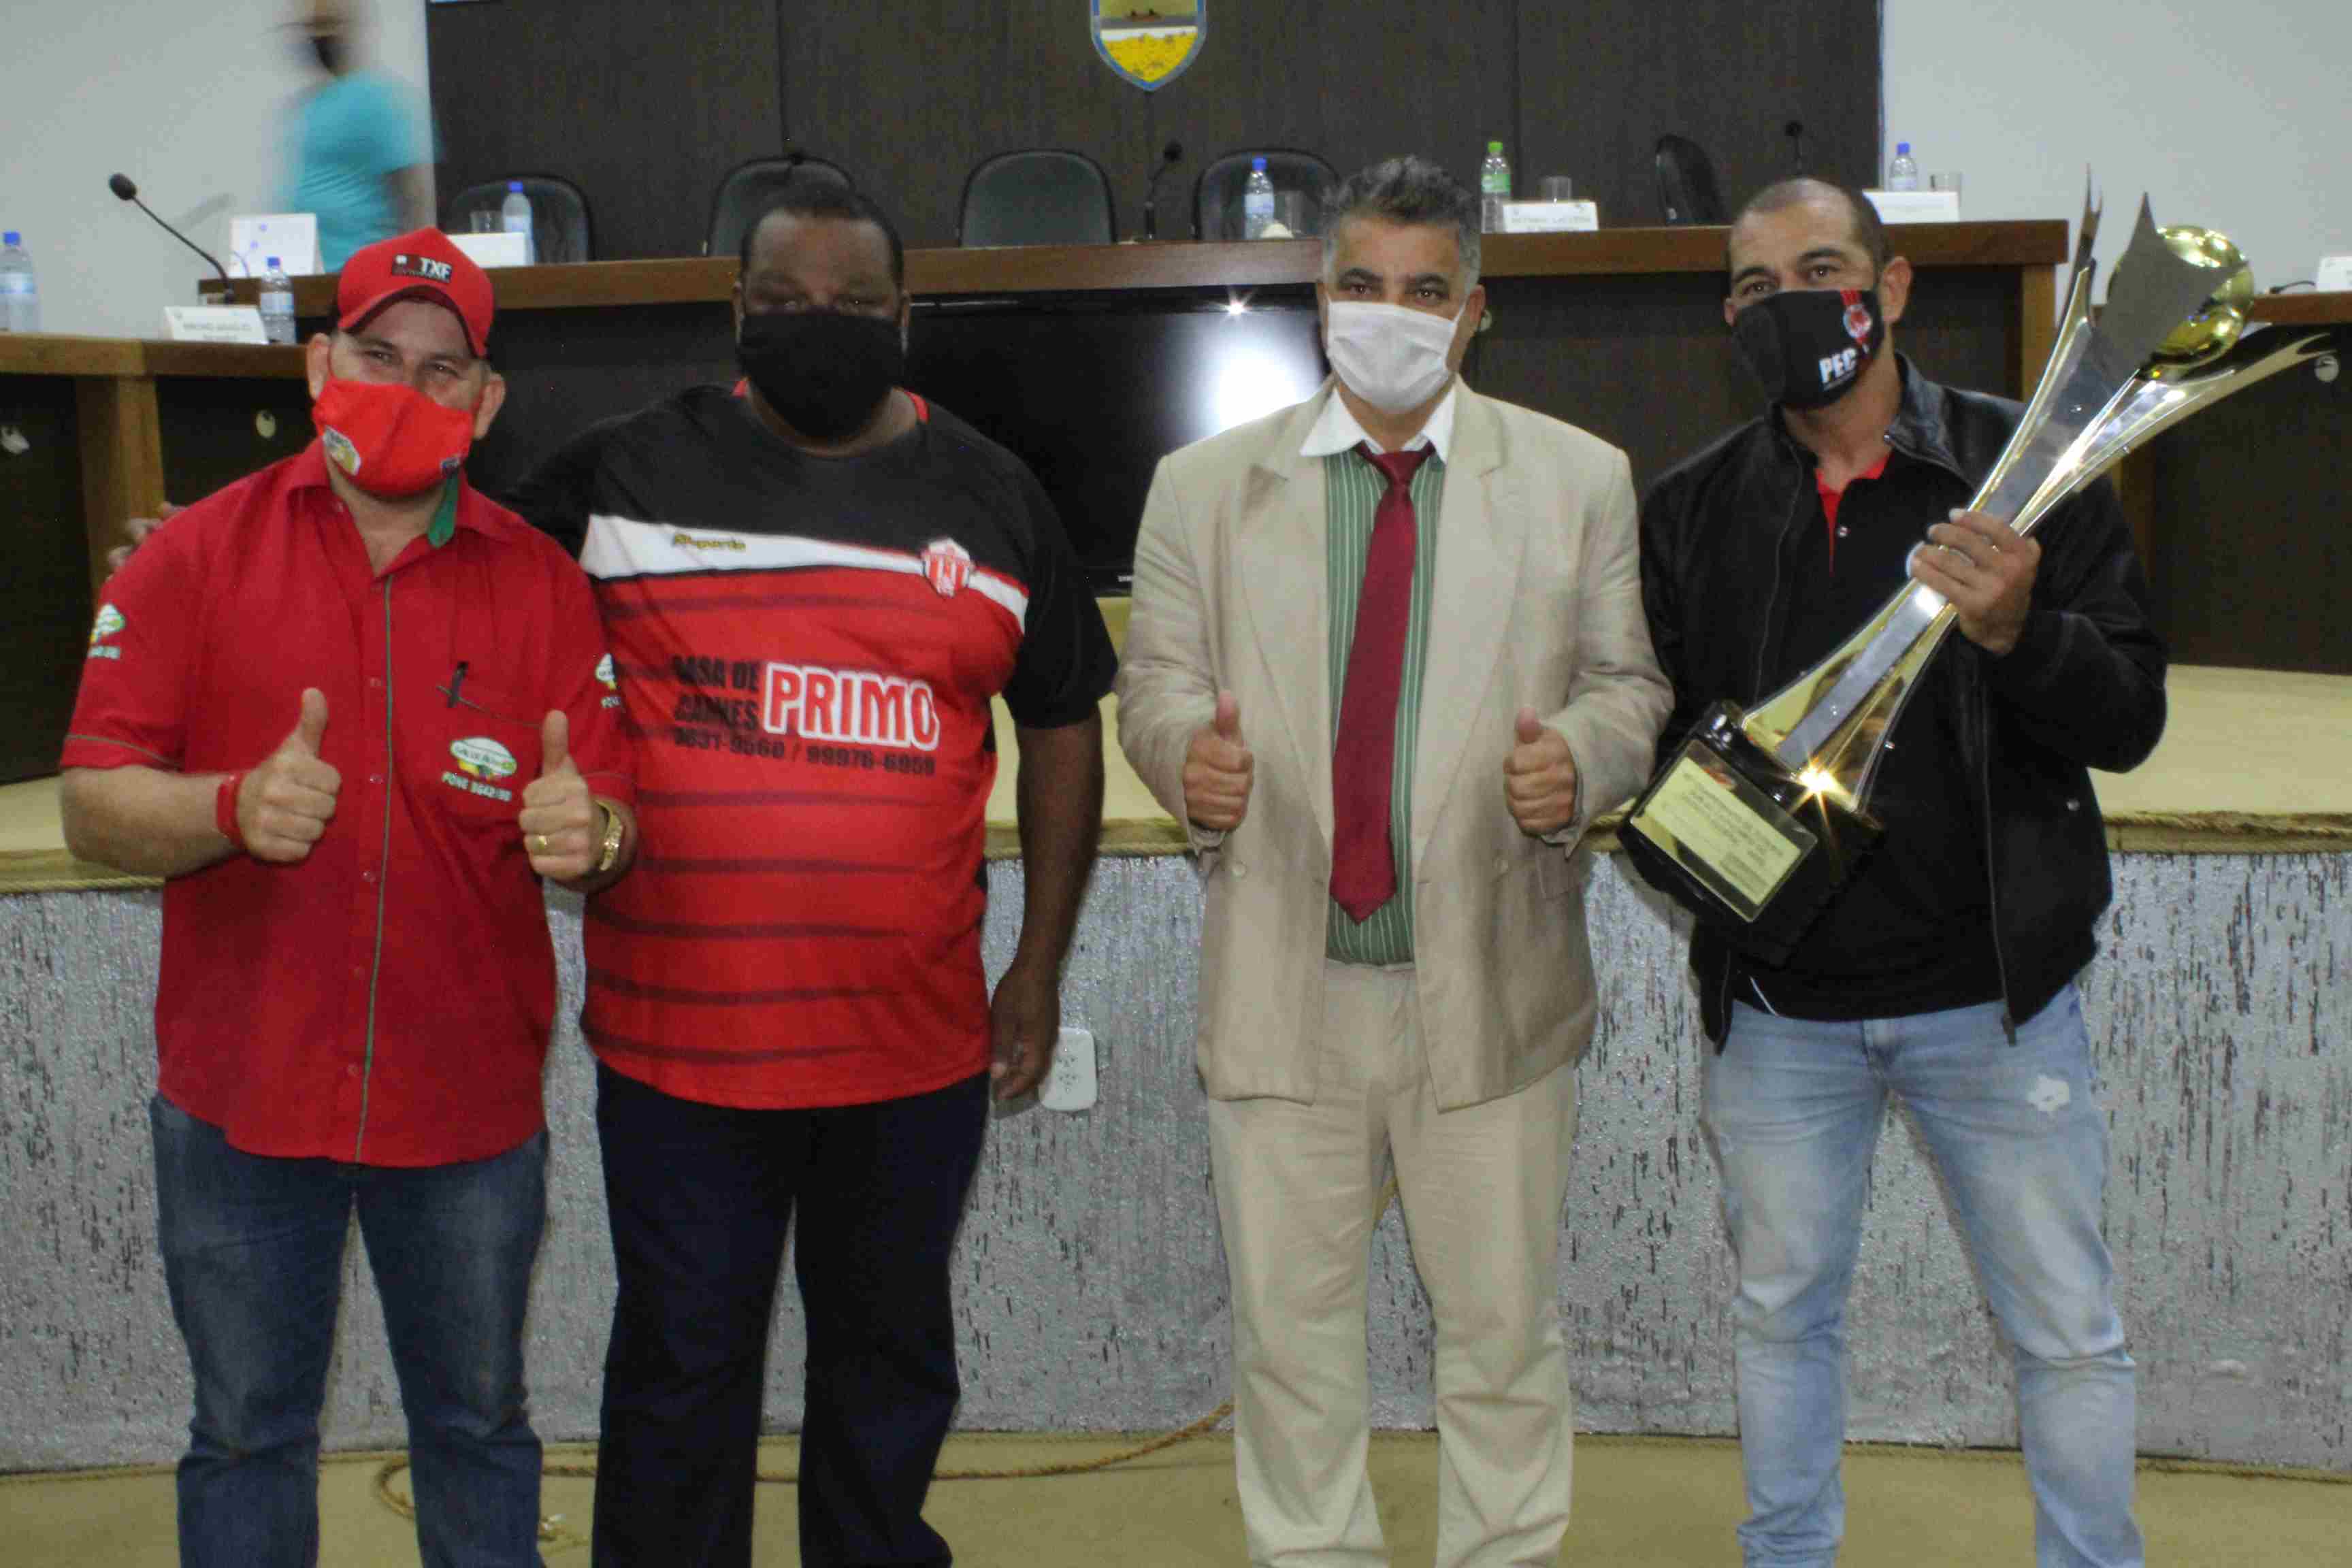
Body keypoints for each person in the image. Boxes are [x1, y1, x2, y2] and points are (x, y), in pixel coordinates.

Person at [503, 182, 1115, 1567]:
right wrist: (200, 556)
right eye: (783, 303)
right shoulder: (623, 472)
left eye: (852, 304)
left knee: (888, 1372)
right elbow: (453, 572)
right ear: (737, 312)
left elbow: (1064, 718)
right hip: (680, 1054)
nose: (816, 325)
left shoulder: (993, 493)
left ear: (906, 315)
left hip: (909, 1049)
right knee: (681, 1369)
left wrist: (1037, 963)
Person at [1116, 155, 1671, 1568]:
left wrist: (1582, 763)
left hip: (1492, 979)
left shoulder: (1578, 479)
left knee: (1501, 1337)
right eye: (1362, 283)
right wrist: (1184, 757)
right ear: (1320, 298)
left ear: (1474, 312)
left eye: (1426, 290)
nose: (1391, 313)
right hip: (1284, 982)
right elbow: (1155, 684)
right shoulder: (1202, 487)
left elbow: (1630, 688)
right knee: (1290, 1344)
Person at [59, 228, 636, 1568]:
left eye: (443, 370)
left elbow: (615, 819)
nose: (407, 388)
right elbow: (92, 801)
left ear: (484, 403)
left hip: (465, 1108)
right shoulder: (191, 557)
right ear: (321, 365)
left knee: (478, 1425)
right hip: (244, 1100)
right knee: (245, 1432)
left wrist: (592, 833)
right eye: (379, 356)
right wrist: (226, 809)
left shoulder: (544, 587)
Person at [1638, 177, 2163, 1568]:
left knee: (2067, 1329)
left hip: (1996, 1001)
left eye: (1821, 269)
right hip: (1779, 1017)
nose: (1790, 304)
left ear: (1895, 285)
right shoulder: (1688, 508)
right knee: (1781, 1318)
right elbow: (1660, 734)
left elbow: (2129, 719)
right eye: (1756, 287)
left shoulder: (2030, 468)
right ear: (1729, 318)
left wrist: (2019, 631)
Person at [283, 0, 431, 268]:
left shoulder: (378, 99)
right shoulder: (310, 104)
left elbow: (412, 194)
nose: (318, 37)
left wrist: (409, 270)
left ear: (348, 28)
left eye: (327, 25)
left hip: (365, 270)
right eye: (312, 27)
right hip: (312, 272)